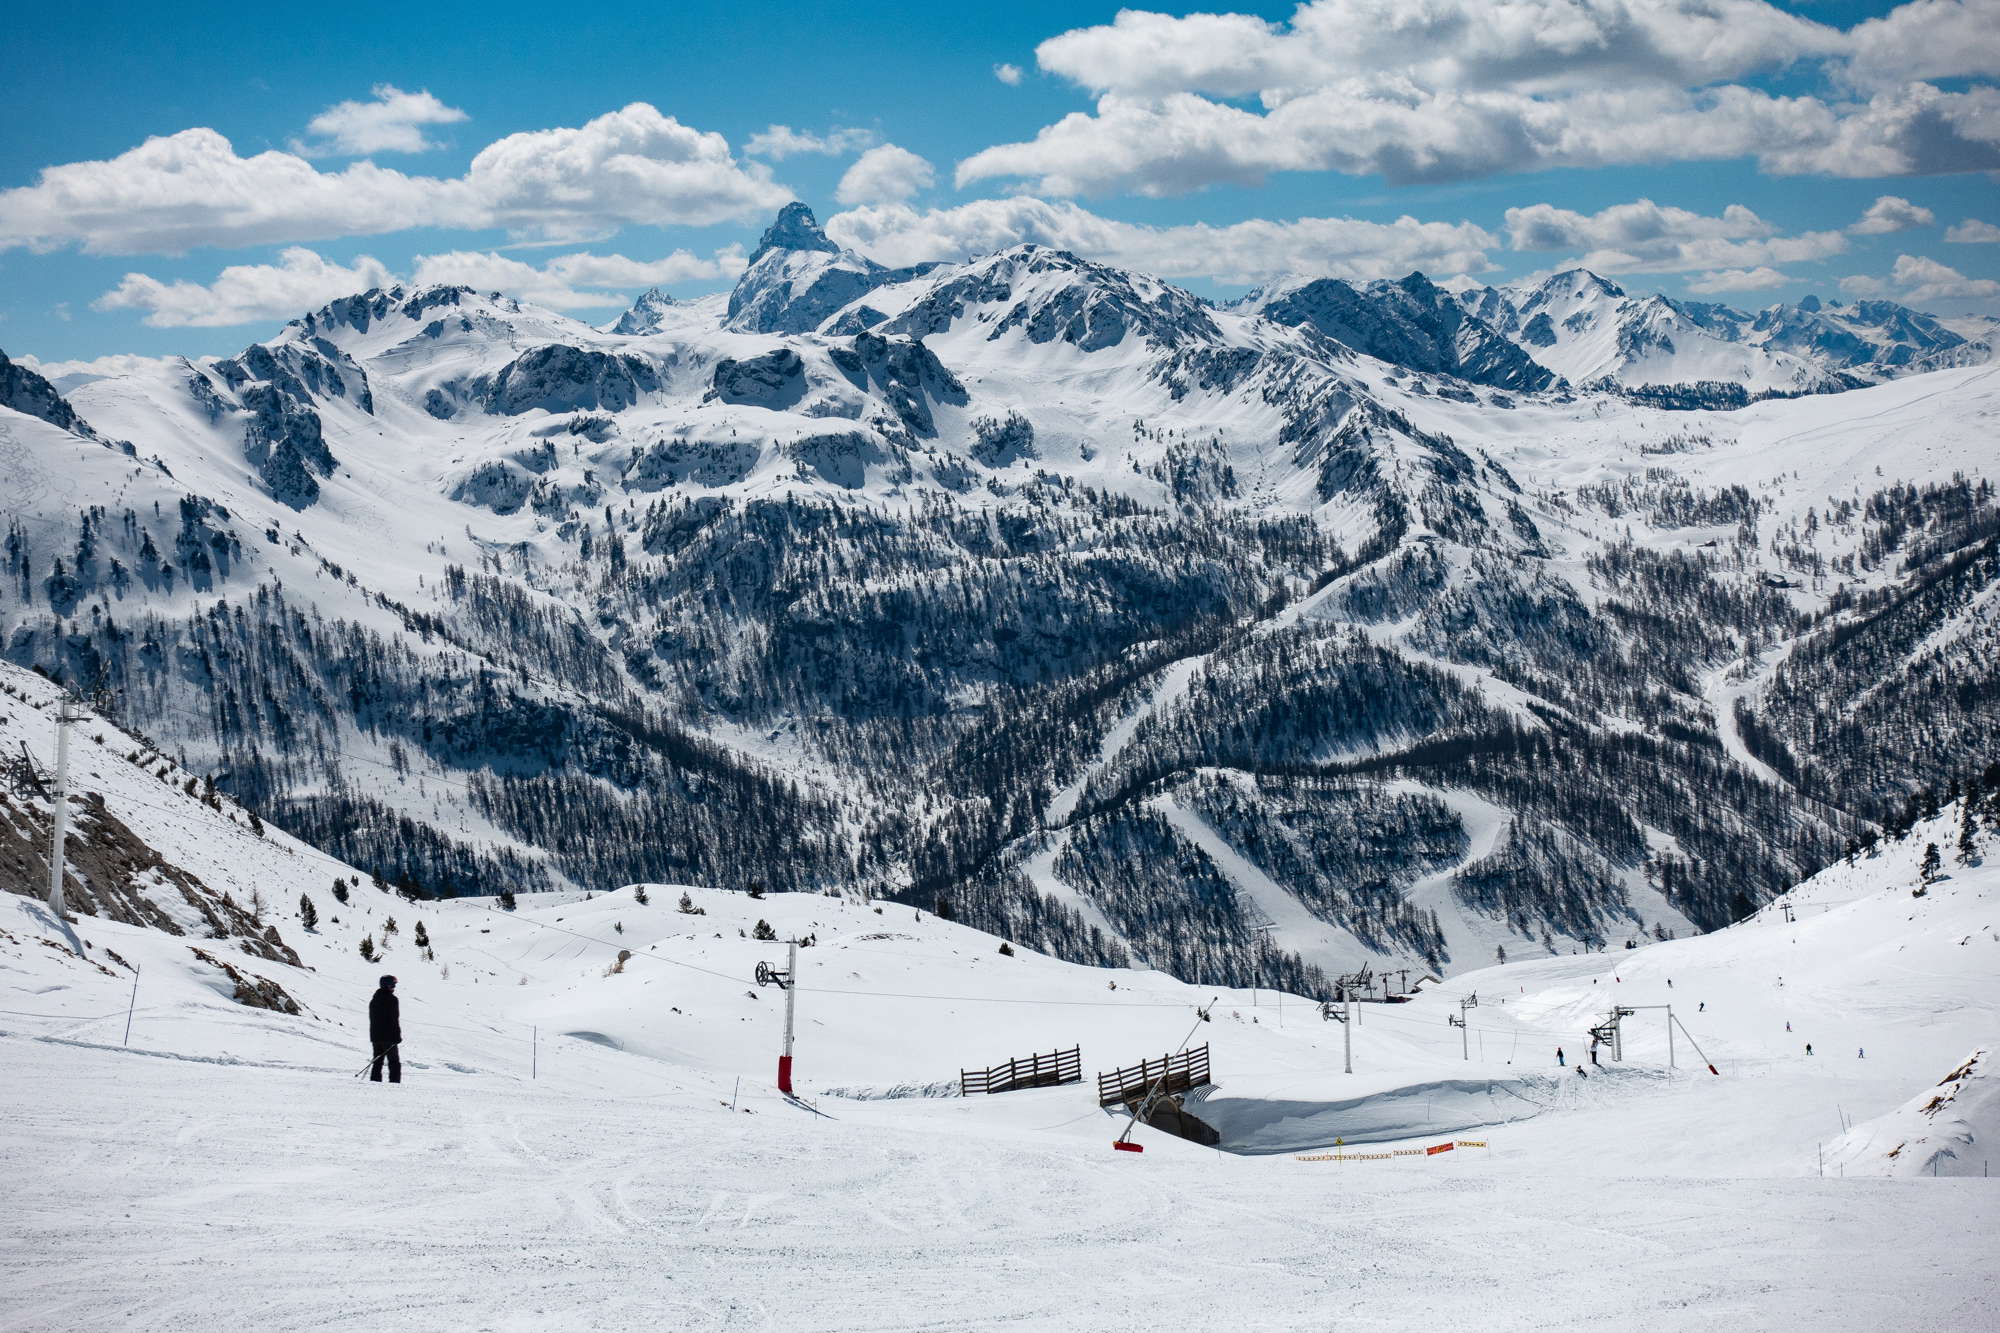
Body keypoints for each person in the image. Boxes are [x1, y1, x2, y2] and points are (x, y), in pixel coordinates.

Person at [369, 975, 402, 1083]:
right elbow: (394, 1019)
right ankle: (395, 1084)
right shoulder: (392, 1000)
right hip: (389, 1037)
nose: (394, 987)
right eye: (392, 985)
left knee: (377, 1061)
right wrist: (397, 1036)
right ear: (386, 985)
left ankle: (374, 1082)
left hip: (376, 1037)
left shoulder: (374, 1000)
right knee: (394, 1062)